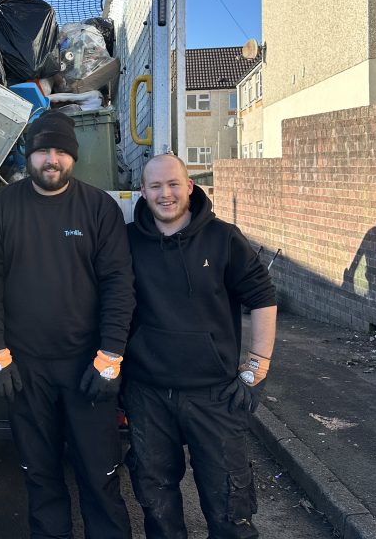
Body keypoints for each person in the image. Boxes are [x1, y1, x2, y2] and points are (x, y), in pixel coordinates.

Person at [0, 111, 135, 539]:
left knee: (100, 476)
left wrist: (110, 357)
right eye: (43, 149)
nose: (52, 160)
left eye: (61, 151)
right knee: (40, 476)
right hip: (24, 371)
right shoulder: (0, 208)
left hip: (87, 368)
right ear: (29, 154)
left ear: (73, 158)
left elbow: (120, 285)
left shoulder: (99, 208)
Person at [123, 154, 277, 539]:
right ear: (142, 191)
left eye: (174, 184)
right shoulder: (126, 242)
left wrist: (257, 369)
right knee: (156, 499)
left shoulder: (223, 238)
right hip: (148, 393)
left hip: (215, 394)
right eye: (155, 186)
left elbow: (262, 296)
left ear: (190, 186)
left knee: (230, 503)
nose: (165, 194)